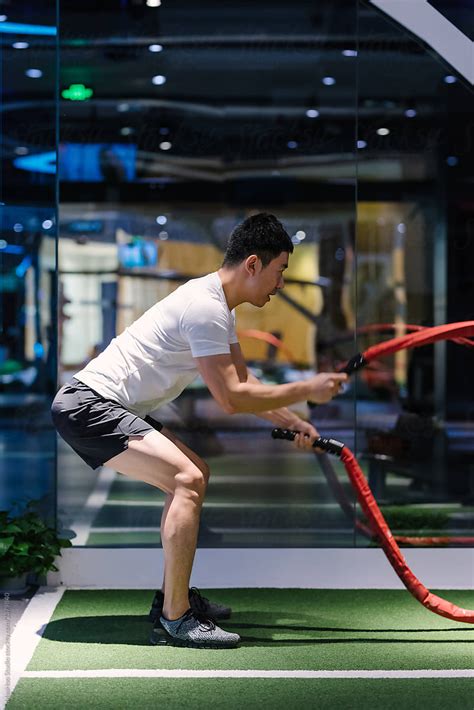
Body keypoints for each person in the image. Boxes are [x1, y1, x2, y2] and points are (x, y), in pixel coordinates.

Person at [51, 213, 347, 649]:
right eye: (280, 271)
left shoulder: (218, 307)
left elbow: (246, 387)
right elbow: (230, 399)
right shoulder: (206, 308)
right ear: (252, 264)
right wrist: (310, 387)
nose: (281, 283)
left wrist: (296, 420)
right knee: (186, 479)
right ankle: (177, 618)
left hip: (105, 405)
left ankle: (172, 599)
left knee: (195, 473)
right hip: (88, 406)